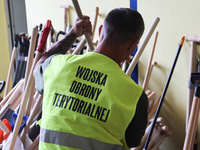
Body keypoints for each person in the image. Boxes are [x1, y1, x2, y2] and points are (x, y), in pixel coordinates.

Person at [34, 8, 148, 150]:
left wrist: (73, 34)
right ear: (132, 45)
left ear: (100, 31)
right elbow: (133, 141)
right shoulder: (135, 97)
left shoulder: (57, 66)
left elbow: (38, 65)